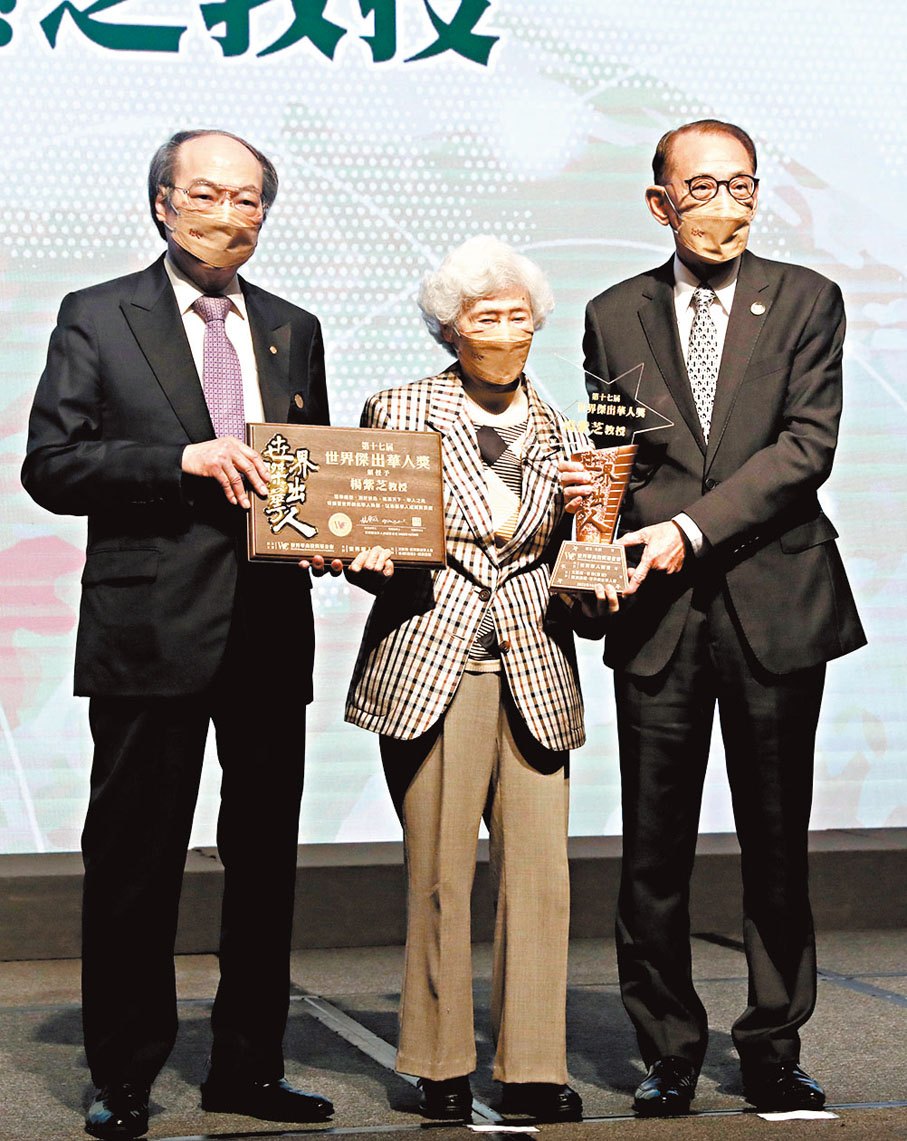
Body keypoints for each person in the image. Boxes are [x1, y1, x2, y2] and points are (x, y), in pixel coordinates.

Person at [21, 129, 338, 1139]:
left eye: (248, 200)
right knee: (135, 863)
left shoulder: (294, 325)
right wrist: (181, 459)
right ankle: (123, 1071)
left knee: (264, 860)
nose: (228, 215)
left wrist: (334, 534)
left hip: (270, 631)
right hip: (148, 630)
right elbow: (52, 465)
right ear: (162, 203)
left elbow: (311, 474)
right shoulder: (97, 314)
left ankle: (248, 1065)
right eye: (207, 195)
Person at [560, 120, 866, 1116]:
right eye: (702, 188)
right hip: (657, 615)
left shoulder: (807, 302)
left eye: (741, 185)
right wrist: (586, 534)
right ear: (660, 203)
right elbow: (617, 462)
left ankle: (772, 1043)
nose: (725, 205)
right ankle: (666, 1047)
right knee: (653, 849)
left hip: (774, 603)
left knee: (775, 843)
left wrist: (688, 528)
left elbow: (803, 449)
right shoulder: (613, 315)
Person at [345, 236, 616, 1123]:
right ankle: (437, 1059)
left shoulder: (571, 436)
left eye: (514, 314)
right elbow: (359, 529)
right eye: (480, 315)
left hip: (535, 668)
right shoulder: (398, 409)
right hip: (432, 663)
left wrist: (592, 538)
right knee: (438, 875)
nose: (501, 328)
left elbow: (588, 592)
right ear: (448, 328)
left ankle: (533, 1063)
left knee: (542, 881)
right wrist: (362, 561)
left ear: (536, 324)